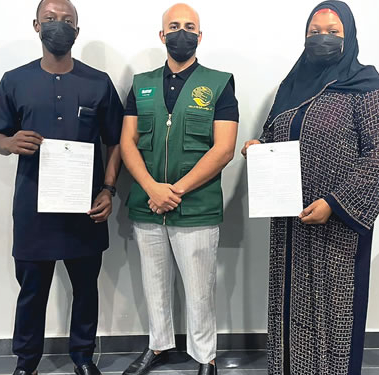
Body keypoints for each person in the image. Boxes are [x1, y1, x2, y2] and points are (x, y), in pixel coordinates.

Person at [241, 1, 379, 374]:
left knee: (332, 310)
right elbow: (274, 134)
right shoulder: (291, 85)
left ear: (349, 36)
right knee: (290, 304)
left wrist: (334, 202)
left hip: (336, 227)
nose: (322, 39)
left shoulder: (367, 87)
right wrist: (258, 147)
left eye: (333, 32)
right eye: (315, 32)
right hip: (290, 224)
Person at [0, 1, 123, 374]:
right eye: (50, 20)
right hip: (33, 209)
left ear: (77, 31)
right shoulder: (14, 80)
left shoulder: (99, 82)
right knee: (32, 292)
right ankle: (26, 361)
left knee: (86, 288)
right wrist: (10, 143)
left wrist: (108, 188)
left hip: (86, 208)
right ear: (36, 26)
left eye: (67, 21)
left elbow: (116, 141)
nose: (58, 26)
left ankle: (82, 357)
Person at [119, 4, 239, 375]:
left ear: (200, 37)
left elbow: (224, 148)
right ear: (162, 35)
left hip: (197, 206)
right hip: (147, 204)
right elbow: (128, 142)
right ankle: (159, 346)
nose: (181, 32)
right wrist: (153, 189)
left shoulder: (220, 83)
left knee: (200, 288)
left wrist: (176, 190)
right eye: (174, 26)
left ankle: (206, 357)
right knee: (153, 283)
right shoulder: (141, 84)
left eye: (189, 27)